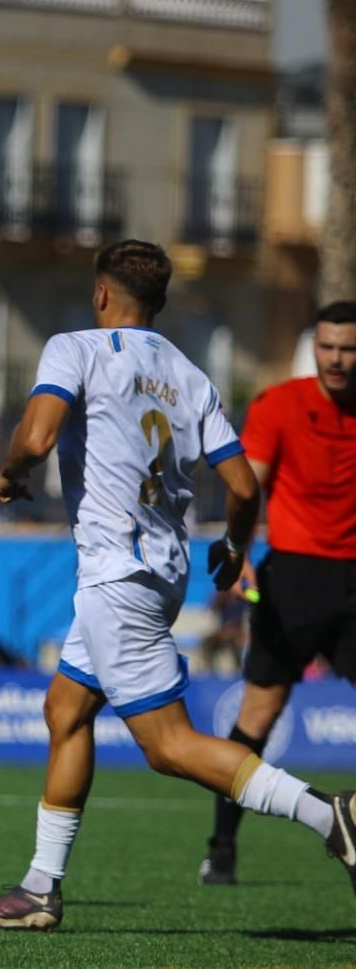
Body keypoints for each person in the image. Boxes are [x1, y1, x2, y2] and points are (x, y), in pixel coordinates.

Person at [0, 240, 355, 933]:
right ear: (161, 303)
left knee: (168, 745)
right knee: (66, 711)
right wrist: (234, 548)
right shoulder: (189, 375)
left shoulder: (74, 347)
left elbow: (39, 434)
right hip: (161, 569)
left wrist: (11, 472)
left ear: (102, 294)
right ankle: (41, 887)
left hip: (118, 574)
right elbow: (240, 485)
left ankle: (332, 815)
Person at [198, 300, 356, 885]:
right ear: (314, 347)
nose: (337, 359)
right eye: (328, 347)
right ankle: (221, 847)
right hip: (292, 579)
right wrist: (238, 554)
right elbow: (249, 487)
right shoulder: (280, 406)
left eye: (349, 349)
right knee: (258, 716)